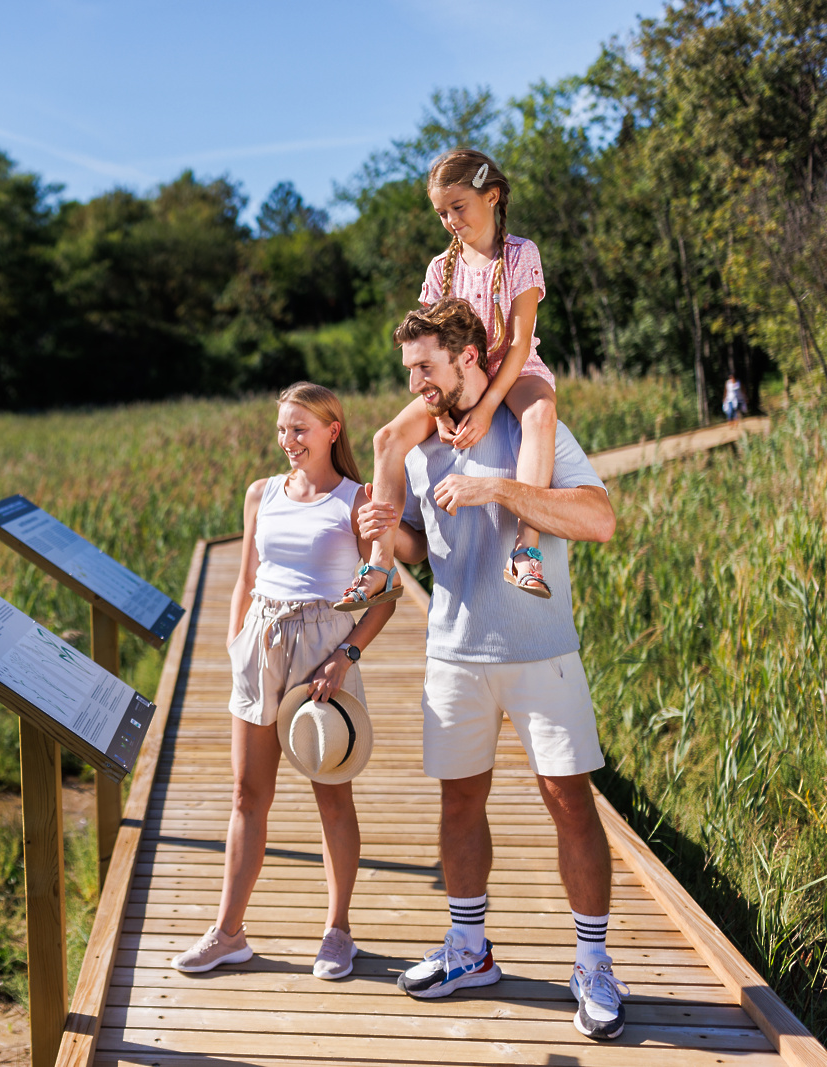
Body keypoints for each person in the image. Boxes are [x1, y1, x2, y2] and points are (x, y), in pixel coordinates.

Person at [354, 299, 628, 1041]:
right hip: (454, 655)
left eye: (424, 368)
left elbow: (599, 519)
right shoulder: (417, 447)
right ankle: (469, 950)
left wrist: (499, 487)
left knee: (570, 802)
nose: (415, 383)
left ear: (468, 358)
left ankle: (594, 962)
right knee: (457, 806)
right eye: (410, 369)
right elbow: (420, 546)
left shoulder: (530, 425)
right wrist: (391, 533)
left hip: (542, 653)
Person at [171, 382, 396, 981]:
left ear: (332, 430)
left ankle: (338, 930)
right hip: (261, 645)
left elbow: (385, 598)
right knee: (248, 794)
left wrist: (344, 656)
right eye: (282, 430)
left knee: (331, 794)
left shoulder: (357, 500)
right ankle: (228, 933)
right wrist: (234, 641)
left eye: (300, 429)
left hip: (325, 647)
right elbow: (247, 577)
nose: (288, 441)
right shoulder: (261, 493)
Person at [340, 149, 559, 612]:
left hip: (511, 370)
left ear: (492, 196)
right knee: (387, 438)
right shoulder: (440, 267)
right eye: (441, 212)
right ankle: (380, 566)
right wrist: (440, 408)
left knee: (540, 412)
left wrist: (484, 409)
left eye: (458, 208)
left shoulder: (521, 254)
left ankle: (525, 549)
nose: (450, 220)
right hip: (455, 376)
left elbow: (519, 343)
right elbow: (426, 347)